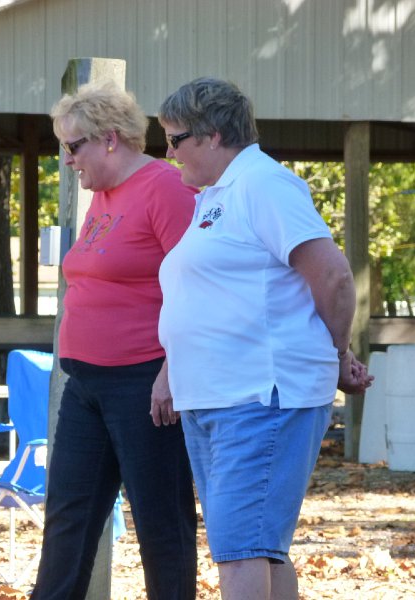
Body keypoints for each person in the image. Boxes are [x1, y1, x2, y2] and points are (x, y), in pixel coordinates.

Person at [155, 77, 373, 600]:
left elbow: (334, 276)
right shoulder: (216, 196)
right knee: (255, 546)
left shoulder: (262, 184)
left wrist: (337, 352)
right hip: (215, 398)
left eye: (175, 139)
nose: (168, 152)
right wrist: (171, 369)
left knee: (241, 553)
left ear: (211, 135)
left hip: (260, 398)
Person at [31, 81, 197, 600]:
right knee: (67, 518)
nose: (67, 160)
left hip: (144, 381)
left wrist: (172, 371)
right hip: (85, 382)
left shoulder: (165, 188)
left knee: (160, 524)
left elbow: (198, 285)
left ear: (108, 139)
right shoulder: (102, 197)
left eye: (72, 147)